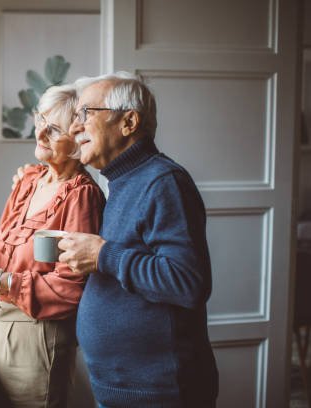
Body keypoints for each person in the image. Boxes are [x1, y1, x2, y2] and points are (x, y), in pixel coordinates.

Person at [54, 72, 219, 407]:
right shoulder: (121, 182)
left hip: (160, 394)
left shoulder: (163, 181)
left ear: (129, 122)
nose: (74, 128)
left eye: (86, 114)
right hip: (125, 390)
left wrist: (104, 256)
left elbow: (188, 283)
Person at [0, 84, 105, 407]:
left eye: (54, 129)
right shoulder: (29, 181)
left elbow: (70, 290)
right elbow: (12, 258)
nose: (40, 133)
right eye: (40, 120)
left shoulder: (80, 195)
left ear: (78, 138)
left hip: (35, 337)